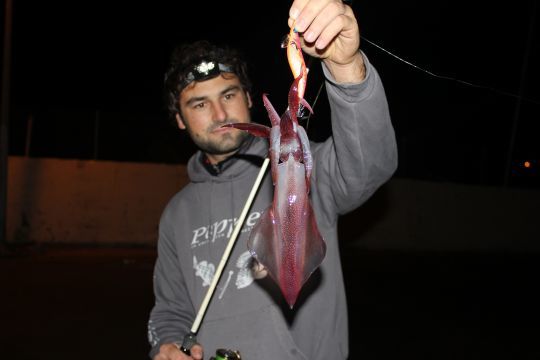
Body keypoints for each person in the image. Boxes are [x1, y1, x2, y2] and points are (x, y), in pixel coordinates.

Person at [147, 0, 398, 359]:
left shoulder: (299, 163)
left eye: (229, 95)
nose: (219, 114)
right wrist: (165, 347)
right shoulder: (176, 214)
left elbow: (373, 163)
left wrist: (345, 67)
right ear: (180, 120)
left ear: (249, 98)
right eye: (199, 104)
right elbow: (170, 313)